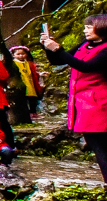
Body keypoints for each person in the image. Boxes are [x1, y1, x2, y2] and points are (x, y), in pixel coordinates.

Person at [44, 16, 107, 180]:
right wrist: (48, 47)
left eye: (89, 27)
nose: (85, 30)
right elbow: (58, 60)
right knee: (97, 145)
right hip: (83, 103)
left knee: (101, 146)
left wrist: (58, 49)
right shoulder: (84, 45)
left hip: (99, 103)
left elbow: (86, 67)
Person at [10, 44, 45, 119]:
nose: (21, 56)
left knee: (33, 100)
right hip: (21, 85)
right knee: (23, 100)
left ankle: (33, 112)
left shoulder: (29, 63)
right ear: (13, 55)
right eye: (18, 54)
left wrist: (40, 74)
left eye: (23, 54)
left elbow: (33, 73)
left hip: (30, 84)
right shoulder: (13, 64)